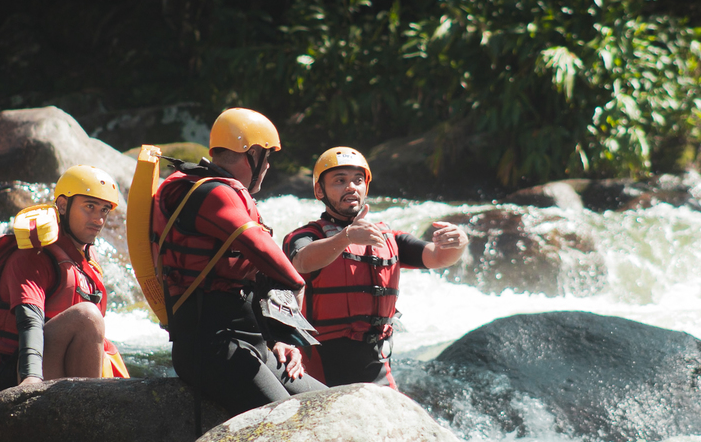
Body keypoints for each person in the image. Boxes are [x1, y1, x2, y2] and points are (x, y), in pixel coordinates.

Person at [150, 107, 327, 415]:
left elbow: (253, 280)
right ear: (252, 153)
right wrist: (297, 283)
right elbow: (259, 248)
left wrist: (279, 339)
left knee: (328, 404)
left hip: (250, 343)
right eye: (267, 157)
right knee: (288, 420)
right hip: (212, 349)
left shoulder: (219, 190)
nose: (268, 166)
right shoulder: (211, 193)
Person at [283, 147, 469, 388]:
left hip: (378, 371)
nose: (351, 187)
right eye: (340, 180)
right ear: (320, 190)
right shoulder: (304, 236)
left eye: (358, 180)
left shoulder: (388, 238)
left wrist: (458, 244)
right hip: (319, 371)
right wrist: (346, 237)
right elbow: (302, 261)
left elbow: (438, 258)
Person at [0, 165, 129, 397]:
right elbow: (30, 321)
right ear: (63, 205)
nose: (99, 219)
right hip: (16, 371)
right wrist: (31, 377)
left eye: (104, 210)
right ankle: (82, 407)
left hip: (53, 364)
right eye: (89, 207)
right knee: (87, 316)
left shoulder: (87, 257)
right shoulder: (33, 254)